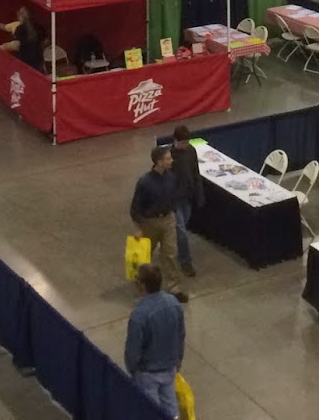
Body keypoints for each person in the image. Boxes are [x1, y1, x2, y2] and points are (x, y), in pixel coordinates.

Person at [125, 263, 185, 420]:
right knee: (171, 410)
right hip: (169, 368)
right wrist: (178, 360)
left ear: (143, 285)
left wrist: (133, 370)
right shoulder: (173, 303)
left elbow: (133, 350)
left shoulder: (139, 315)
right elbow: (180, 335)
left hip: (147, 373)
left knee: (148, 412)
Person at [129, 146, 183, 283]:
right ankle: (142, 280)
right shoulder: (144, 182)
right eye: (168, 159)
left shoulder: (172, 177)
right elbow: (135, 207)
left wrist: (173, 212)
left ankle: (174, 285)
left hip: (168, 219)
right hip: (150, 222)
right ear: (159, 162)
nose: (172, 160)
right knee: (146, 253)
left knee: (170, 253)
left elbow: (175, 196)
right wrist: (139, 228)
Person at [167, 128, 203, 278]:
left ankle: (170, 246)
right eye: (182, 143)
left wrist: (199, 194)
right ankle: (185, 261)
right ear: (175, 141)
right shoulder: (168, 156)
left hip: (187, 197)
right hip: (174, 200)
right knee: (181, 230)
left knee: (182, 227)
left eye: (187, 142)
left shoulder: (191, 151)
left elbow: (195, 173)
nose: (185, 145)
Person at [0, 6, 45, 72]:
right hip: (37, 62)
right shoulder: (39, 27)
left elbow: (15, 45)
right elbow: (45, 42)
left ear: (20, 16)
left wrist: (2, 47)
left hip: (23, 63)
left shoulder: (20, 29)